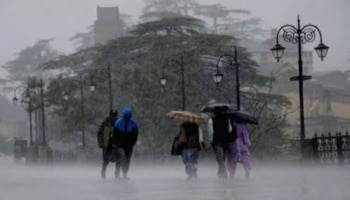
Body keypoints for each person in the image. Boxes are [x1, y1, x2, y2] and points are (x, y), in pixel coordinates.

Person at [207, 108, 235, 179]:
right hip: (225, 142)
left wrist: (211, 141)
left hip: (217, 142)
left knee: (220, 159)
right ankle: (220, 174)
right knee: (222, 159)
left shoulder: (211, 120)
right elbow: (230, 130)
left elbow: (210, 132)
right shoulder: (227, 119)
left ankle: (223, 175)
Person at [113, 107, 138, 180]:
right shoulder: (133, 123)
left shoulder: (118, 122)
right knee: (126, 159)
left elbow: (115, 135)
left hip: (121, 144)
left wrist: (115, 143)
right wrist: (133, 142)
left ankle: (119, 174)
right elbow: (135, 135)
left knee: (120, 159)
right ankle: (123, 174)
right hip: (126, 145)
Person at [97, 109, 118, 180]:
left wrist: (101, 143)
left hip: (107, 144)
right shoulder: (118, 122)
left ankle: (103, 172)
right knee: (118, 160)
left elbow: (99, 132)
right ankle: (116, 175)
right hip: (114, 144)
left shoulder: (105, 122)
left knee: (106, 160)